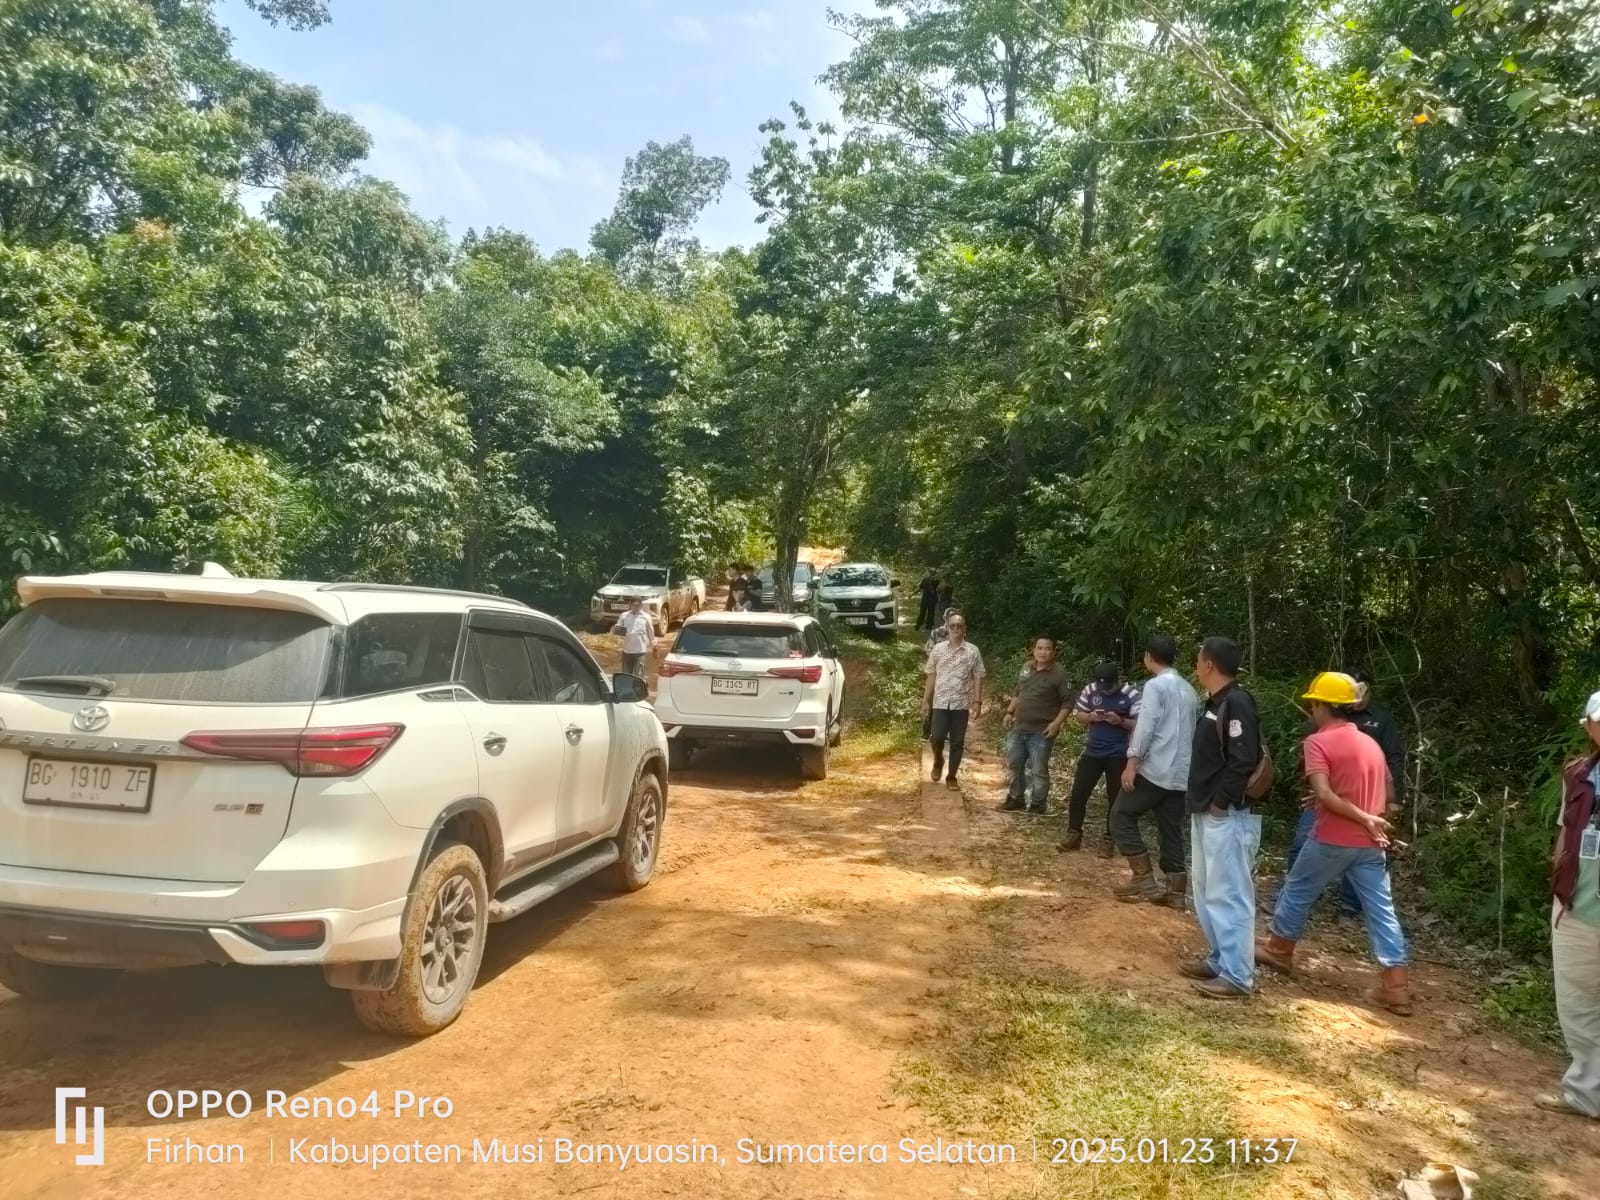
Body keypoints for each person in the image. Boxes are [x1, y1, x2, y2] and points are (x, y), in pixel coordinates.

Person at [1257, 672, 1412, 1016]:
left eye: (1313, 704)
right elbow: (1386, 789)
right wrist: (1371, 816)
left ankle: (1280, 949)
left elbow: (1326, 794)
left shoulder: (1318, 742)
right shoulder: (1370, 742)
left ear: (1321, 706)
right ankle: (1396, 987)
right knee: (1381, 912)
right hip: (1371, 844)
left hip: (1332, 837)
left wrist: (1350, 812)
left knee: (1297, 889)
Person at [1180, 636, 1264, 999]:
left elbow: (1243, 760)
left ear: (1209, 664)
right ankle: (1219, 958)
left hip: (1227, 814)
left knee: (1229, 893)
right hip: (1207, 810)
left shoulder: (1237, 703)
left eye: (1198, 659)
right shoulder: (1215, 703)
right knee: (1206, 889)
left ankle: (1237, 975)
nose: (1196, 664)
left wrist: (1220, 803)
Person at [1285, 667, 1407, 917]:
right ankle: (1300, 901)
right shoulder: (1328, 720)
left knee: (1361, 851)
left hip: (1366, 799)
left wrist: (1394, 799)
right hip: (1327, 797)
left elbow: (1392, 758)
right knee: (1303, 842)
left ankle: (1349, 907)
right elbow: (1311, 756)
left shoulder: (1380, 721)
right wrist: (1316, 789)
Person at [1535, 689, 1600, 1120]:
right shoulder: (1578, 774)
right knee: (1577, 1005)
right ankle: (1587, 1093)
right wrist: (1560, 890)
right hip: (1579, 908)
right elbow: (1565, 831)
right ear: (1589, 727)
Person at [1112, 634, 1198, 906]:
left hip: (1156, 769)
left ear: (1149, 657)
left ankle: (1143, 877)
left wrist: (1132, 763)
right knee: (1170, 829)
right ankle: (1176, 893)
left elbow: (1145, 726)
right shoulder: (1189, 690)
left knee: (1121, 814)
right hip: (1180, 773)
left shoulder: (1155, 686)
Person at [1059, 661, 1140, 853]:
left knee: (1114, 798)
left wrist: (1120, 721)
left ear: (1117, 681)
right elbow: (1079, 715)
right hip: (1093, 751)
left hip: (1118, 753)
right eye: (1103, 686)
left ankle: (1109, 838)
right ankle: (1074, 833)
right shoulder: (1091, 690)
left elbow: (1140, 725)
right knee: (1079, 792)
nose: (1106, 690)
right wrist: (1090, 717)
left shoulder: (1131, 694)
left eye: (1109, 686)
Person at [1001, 637, 1073, 815]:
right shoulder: (1026, 667)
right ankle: (1015, 799)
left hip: (1041, 731)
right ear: (1033, 650)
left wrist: (1056, 724)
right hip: (1019, 727)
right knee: (1014, 764)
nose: (1043, 652)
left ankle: (1037, 804)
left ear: (1053, 651)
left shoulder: (1059, 674)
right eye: (1039, 648)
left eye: (1047, 649)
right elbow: (1019, 693)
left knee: (1038, 769)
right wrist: (1009, 712)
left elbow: (1068, 703)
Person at [922, 613, 985, 791]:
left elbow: (978, 676)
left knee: (957, 741)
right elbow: (931, 676)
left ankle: (951, 777)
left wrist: (978, 701)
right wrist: (925, 701)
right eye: (953, 626)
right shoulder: (938, 649)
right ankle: (938, 760)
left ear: (965, 629)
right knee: (937, 737)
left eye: (960, 625)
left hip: (961, 703)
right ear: (947, 628)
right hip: (940, 701)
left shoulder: (973, 651)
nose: (956, 628)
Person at [611, 596, 654, 680]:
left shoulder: (646, 617)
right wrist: (615, 629)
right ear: (630, 605)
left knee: (639, 677)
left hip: (640, 652)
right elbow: (618, 629)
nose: (636, 608)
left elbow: (651, 633)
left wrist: (654, 646)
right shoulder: (624, 616)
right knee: (626, 676)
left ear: (641, 605)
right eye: (634, 605)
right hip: (626, 651)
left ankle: (639, 692)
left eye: (638, 606)